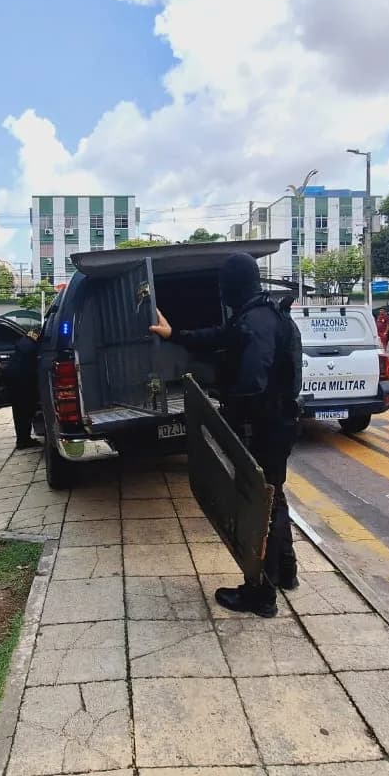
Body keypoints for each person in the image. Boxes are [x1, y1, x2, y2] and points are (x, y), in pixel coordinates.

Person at [150, 253, 302, 618]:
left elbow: (252, 382)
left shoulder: (256, 322)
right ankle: (285, 571)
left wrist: (229, 415)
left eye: (224, 286)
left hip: (263, 426)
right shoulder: (263, 314)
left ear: (233, 286)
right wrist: (176, 335)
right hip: (279, 423)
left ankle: (260, 594)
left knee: (258, 506)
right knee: (274, 497)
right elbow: (220, 336)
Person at [4, 328, 42, 449]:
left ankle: (22, 439)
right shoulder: (32, 347)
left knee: (19, 413)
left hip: (15, 381)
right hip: (23, 383)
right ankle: (24, 440)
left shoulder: (23, 342)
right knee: (26, 411)